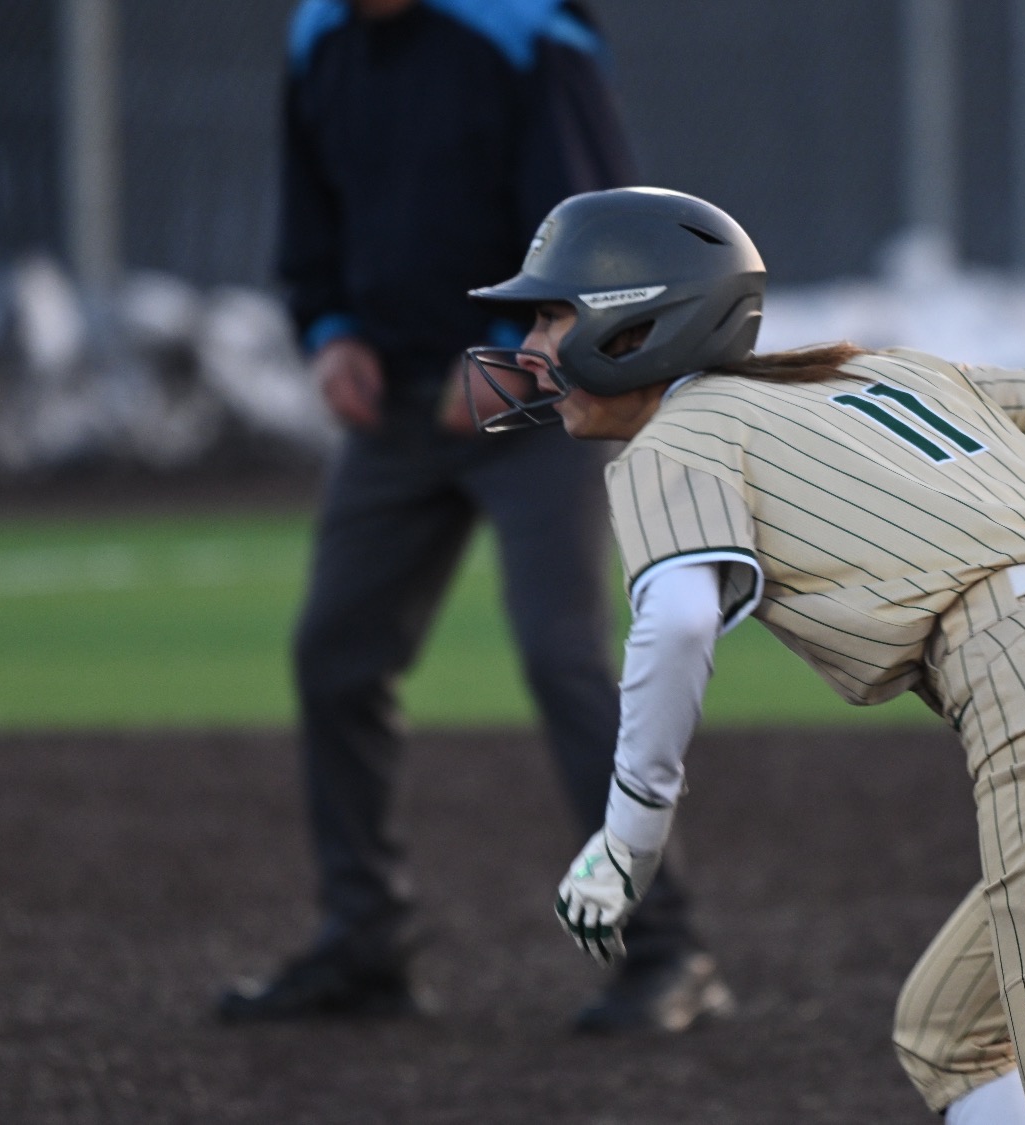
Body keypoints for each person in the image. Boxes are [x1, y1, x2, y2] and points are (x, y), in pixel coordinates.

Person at [463, 187, 1025, 1124]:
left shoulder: (680, 435)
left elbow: (680, 622)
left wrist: (629, 837)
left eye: (552, 313)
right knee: (948, 1036)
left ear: (635, 325)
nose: (532, 345)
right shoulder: (877, 371)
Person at [216, 1, 730, 1034]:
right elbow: (311, 213)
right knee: (337, 658)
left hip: (536, 402)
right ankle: (365, 945)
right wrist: (329, 329)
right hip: (394, 404)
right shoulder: (321, 34)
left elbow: (603, 237)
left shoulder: (526, 29)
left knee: (561, 657)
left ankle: (669, 952)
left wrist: (509, 356)